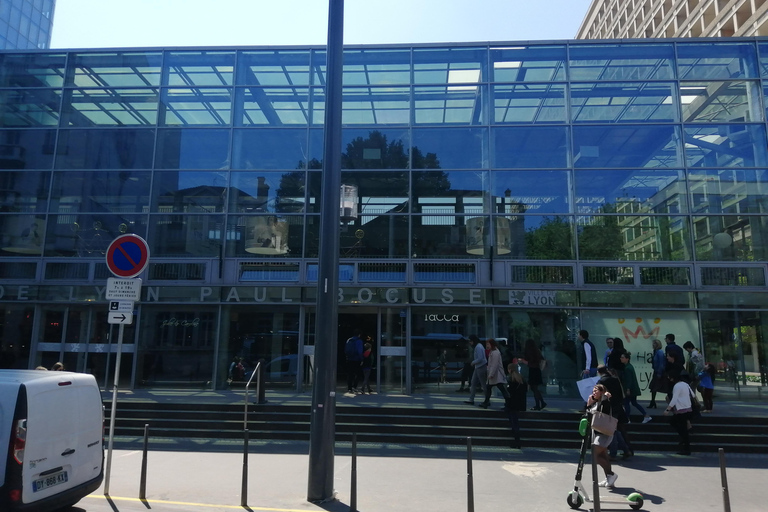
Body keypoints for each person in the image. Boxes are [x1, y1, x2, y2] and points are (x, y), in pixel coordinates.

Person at [597, 365, 633, 460]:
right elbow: (621, 394)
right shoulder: (615, 379)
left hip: (607, 409)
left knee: (610, 432)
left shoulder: (601, 382)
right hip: (617, 408)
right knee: (614, 430)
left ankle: (613, 453)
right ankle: (626, 450)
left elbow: (598, 396)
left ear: (599, 372)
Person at [586, 383, 618, 489]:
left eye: (596, 390)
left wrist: (605, 395)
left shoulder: (604, 401)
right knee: (603, 456)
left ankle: (612, 475)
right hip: (598, 432)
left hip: (604, 433)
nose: (594, 392)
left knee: (596, 455)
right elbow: (587, 415)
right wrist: (589, 404)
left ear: (602, 392)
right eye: (593, 391)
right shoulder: (595, 403)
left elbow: (606, 405)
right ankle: (609, 477)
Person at [664, 369, 694, 455]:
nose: (669, 378)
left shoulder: (677, 386)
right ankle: (684, 441)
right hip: (688, 408)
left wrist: (667, 410)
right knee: (678, 425)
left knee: (678, 425)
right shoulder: (685, 384)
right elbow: (693, 395)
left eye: (669, 377)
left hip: (681, 410)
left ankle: (686, 447)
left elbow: (674, 399)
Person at [620, 352, 652, 424]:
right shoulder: (629, 366)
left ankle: (627, 418)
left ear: (627, 359)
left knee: (627, 403)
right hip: (633, 389)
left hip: (630, 390)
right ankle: (645, 415)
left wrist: (628, 389)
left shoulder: (627, 368)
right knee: (634, 403)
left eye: (622, 357)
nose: (621, 359)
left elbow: (629, 380)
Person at [479, 338, 511, 409]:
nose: (487, 345)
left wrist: (491, 374)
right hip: (495, 374)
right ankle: (486, 402)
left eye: (488, 344)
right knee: (490, 388)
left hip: (496, 374)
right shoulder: (493, 352)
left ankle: (508, 403)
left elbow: (494, 364)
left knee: (500, 388)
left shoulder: (495, 352)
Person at [520, 338, 547, 411]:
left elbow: (531, 363)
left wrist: (523, 361)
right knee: (534, 388)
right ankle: (541, 402)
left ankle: (538, 404)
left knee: (534, 388)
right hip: (536, 370)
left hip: (533, 370)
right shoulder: (537, 351)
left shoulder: (531, 352)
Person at [506, 362, 527, 449]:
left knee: (514, 422)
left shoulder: (511, 379)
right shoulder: (521, 379)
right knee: (516, 422)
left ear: (510, 370)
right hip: (520, 403)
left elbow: (509, 391)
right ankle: (517, 441)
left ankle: (517, 442)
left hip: (512, 404)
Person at [464, 335, 487, 406]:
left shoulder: (478, 347)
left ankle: (487, 400)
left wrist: (473, 362)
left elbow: (480, 358)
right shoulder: (478, 346)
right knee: (473, 383)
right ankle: (471, 399)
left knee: (483, 384)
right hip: (478, 367)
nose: (470, 343)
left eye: (470, 341)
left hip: (481, 367)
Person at [648, 338, 666, 408]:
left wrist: (659, 373)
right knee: (653, 387)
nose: (653, 345)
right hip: (655, 371)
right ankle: (652, 401)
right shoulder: (655, 352)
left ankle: (653, 402)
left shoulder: (660, 352)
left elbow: (661, 363)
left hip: (659, 372)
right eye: (653, 343)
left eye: (655, 343)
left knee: (656, 387)